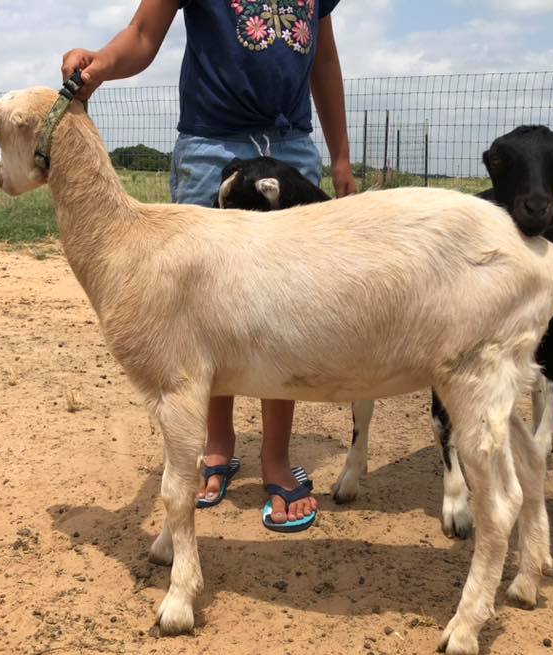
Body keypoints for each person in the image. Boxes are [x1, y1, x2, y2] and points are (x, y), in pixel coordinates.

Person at [63, 0, 356, 532]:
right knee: (201, 312)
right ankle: (217, 445)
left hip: (292, 143)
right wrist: (101, 64)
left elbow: (325, 59)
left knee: (284, 311)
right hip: (209, 145)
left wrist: (339, 156)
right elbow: (143, 33)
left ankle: (275, 457)